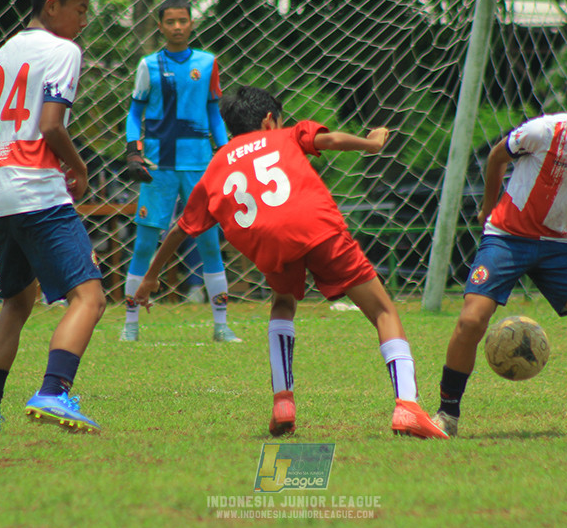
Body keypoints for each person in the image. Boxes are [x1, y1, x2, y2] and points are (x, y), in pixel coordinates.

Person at [134, 86, 448, 439]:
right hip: (315, 227)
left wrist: (149, 278)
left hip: (266, 242)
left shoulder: (217, 164)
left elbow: (181, 229)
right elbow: (327, 141)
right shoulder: (286, 134)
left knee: (282, 303)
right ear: (270, 120)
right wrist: (371, 143)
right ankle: (407, 406)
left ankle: (283, 401)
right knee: (383, 311)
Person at [432, 61, 567, 437]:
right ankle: (446, 415)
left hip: (560, 246)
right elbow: (496, 158)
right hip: (506, 236)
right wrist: (490, 206)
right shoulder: (543, 131)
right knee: (471, 320)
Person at [0, 0, 106, 434]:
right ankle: (54, 392)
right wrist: (78, 167)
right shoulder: (63, 51)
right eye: (80, 9)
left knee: (16, 303)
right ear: (52, 6)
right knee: (90, 298)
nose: (83, 20)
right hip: (35, 187)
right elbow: (51, 125)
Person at [121, 0, 238, 343]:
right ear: (160, 26)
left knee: (209, 242)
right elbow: (134, 113)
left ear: (191, 24)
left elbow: (214, 112)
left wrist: (225, 150)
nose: (176, 26)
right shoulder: (148, 65)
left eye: (182, 20)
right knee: (144, 243)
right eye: (169, 21)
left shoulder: (208, 63)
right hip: (159, 166)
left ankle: (221, 325)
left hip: (200, 166)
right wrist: (133, 151)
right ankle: (130, 324)